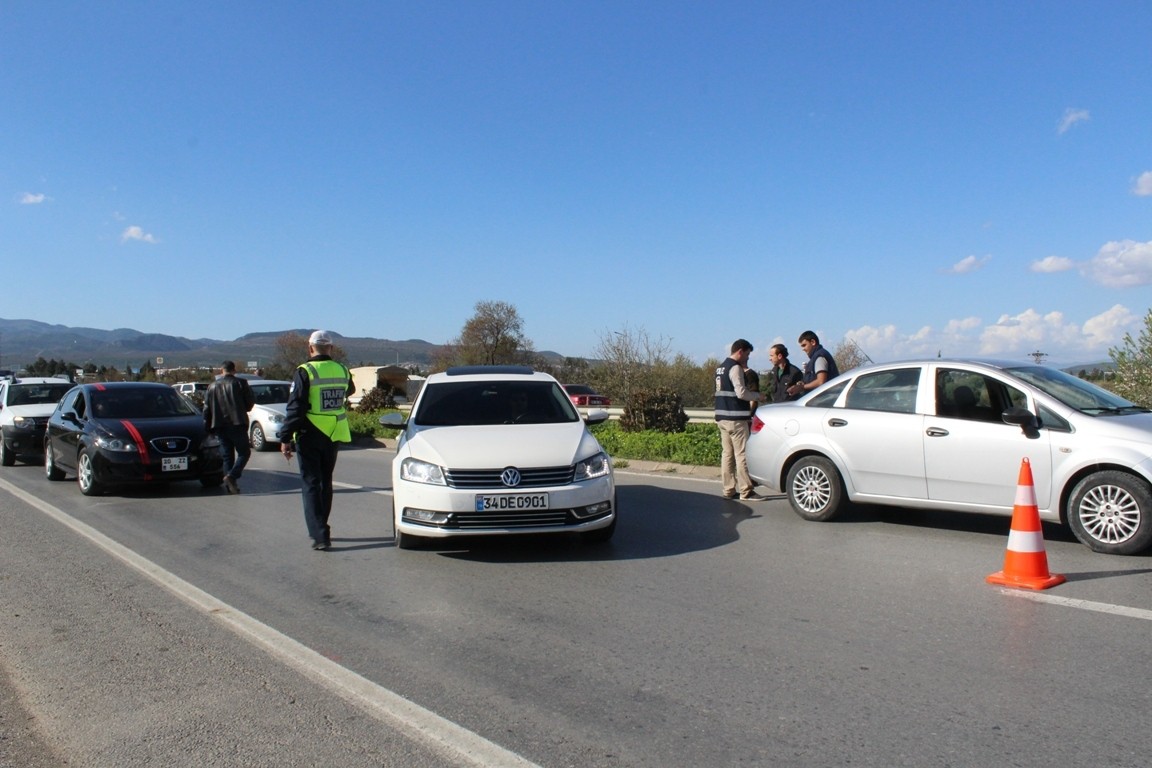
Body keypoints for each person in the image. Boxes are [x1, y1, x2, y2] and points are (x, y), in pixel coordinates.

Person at [280, 330, 355, 551]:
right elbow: (349, 390)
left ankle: (320, 534)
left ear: (310, 347)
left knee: (311, 483)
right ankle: (323, 527)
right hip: (333, 432)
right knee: (325, 482)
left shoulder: (305, 371)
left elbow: (296, 408)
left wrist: (285, 437)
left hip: (310, 431)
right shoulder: (342, 370)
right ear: (331, 348)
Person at [715, 339, 767, 501]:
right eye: (747, 354)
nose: (747, 358)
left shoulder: (720, 368)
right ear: (740, 351)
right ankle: (746, 491)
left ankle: (728, 490)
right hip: (736, 418)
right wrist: (758, 396)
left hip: (722, 417)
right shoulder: (735, 368)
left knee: (727, 455)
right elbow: (741, 393)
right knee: (741, 455)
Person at [203, 360, 255, 494]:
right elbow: (249, 404)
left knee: (227, 456)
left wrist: (207, 427)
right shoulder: (241, 383)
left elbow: (207, 409)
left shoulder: (212, 386)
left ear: (222, 370)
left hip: (219, 425)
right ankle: (232, 476)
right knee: (244, 453)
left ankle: (230, 486)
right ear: (234, 370)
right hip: (237, 423)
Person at [787, 331, 841, 398]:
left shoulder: (820, 357)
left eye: (804, 345)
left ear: (813, 342)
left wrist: (802, 387)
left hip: (826, 399)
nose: (803, 349)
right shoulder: (815, 358)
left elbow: (821, 381)